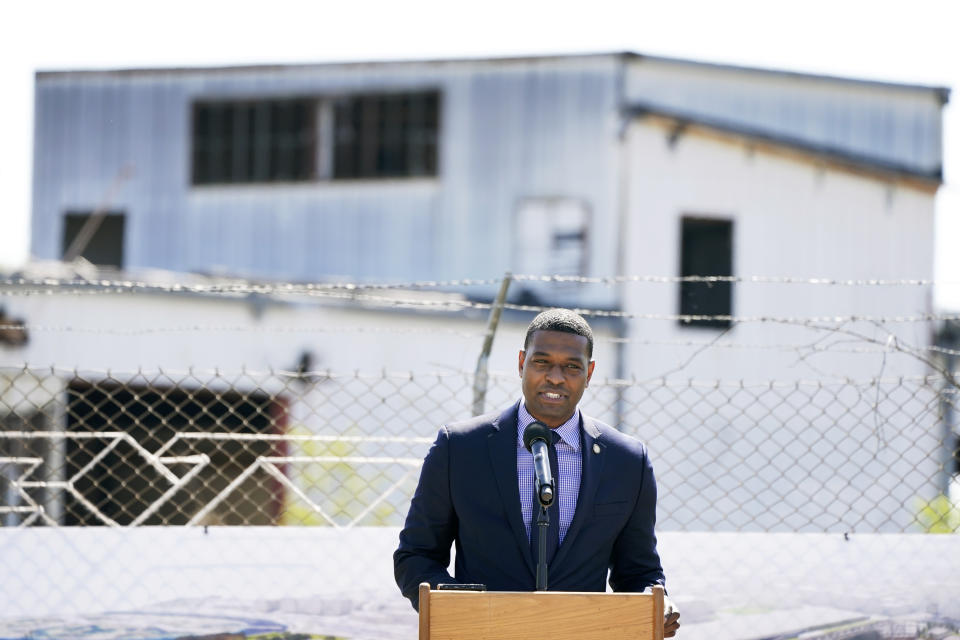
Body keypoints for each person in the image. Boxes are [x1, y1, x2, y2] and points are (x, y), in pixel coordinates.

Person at [394, 308, 680, 637]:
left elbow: (639, 571)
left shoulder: (627, 461)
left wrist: (657, 603)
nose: (555, 377)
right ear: (521, 363)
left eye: (572, 366)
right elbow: (415, 556)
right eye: (542, 362)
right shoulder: (460, 448)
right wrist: (462, 608)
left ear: (589, 373)